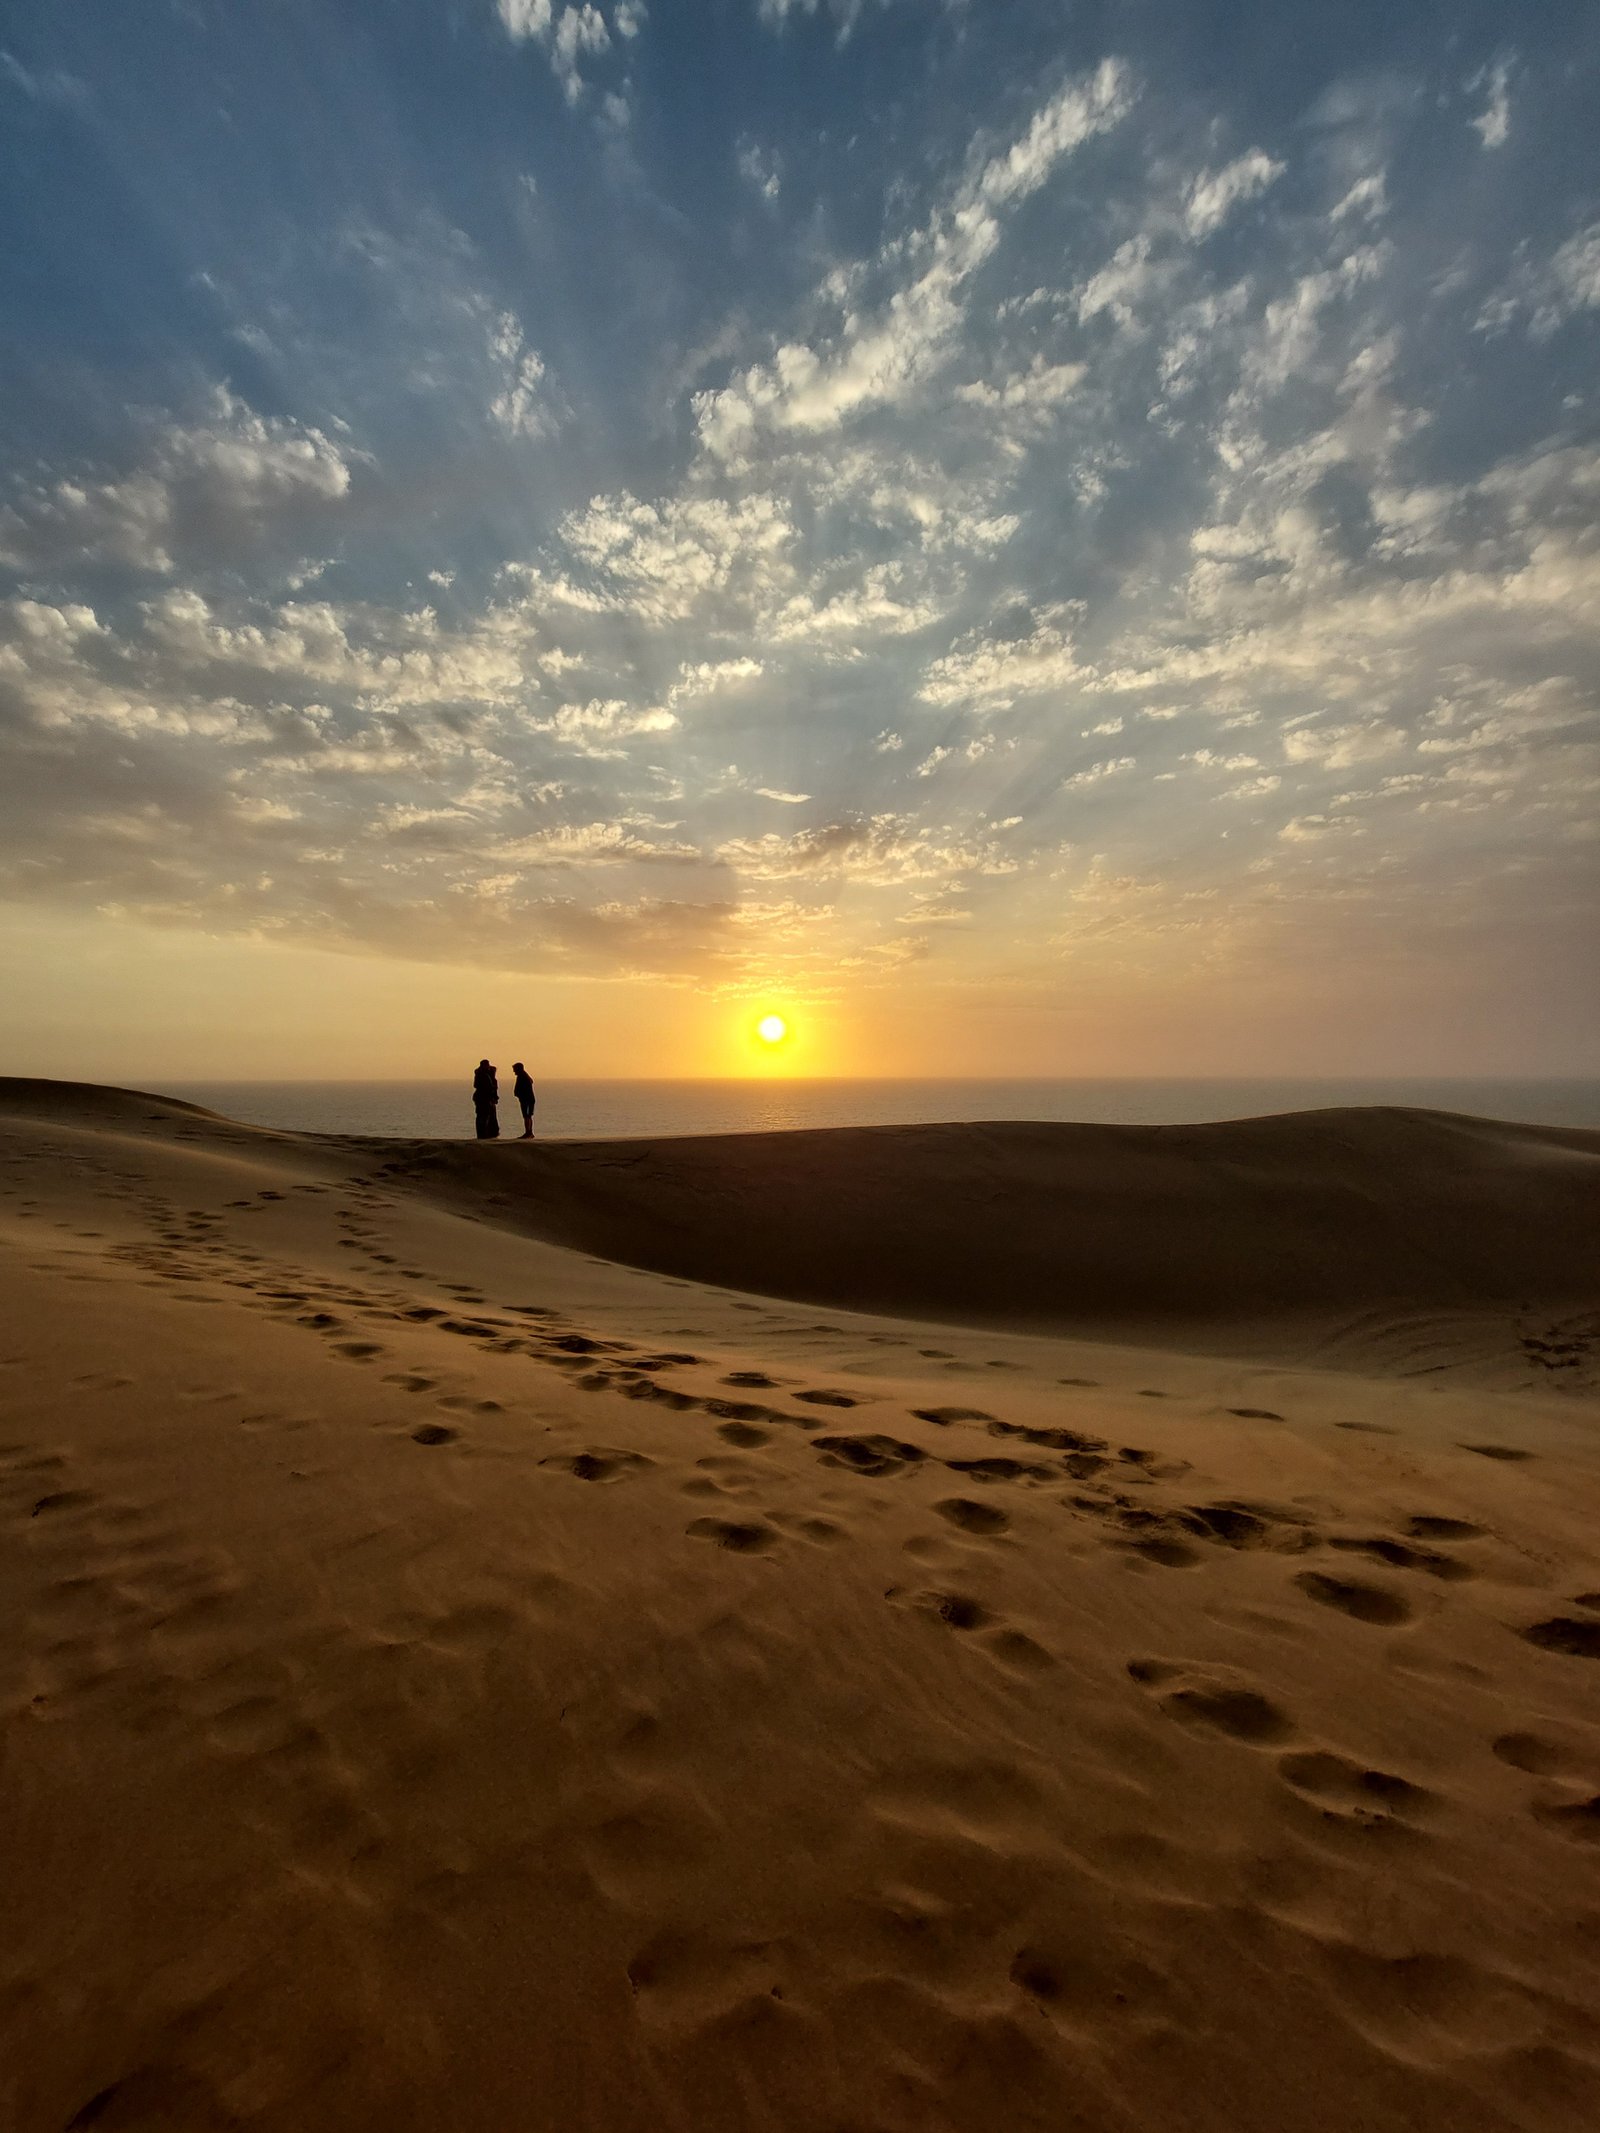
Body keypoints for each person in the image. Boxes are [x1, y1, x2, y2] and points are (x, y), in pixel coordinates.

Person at [472, 1058, 499, 1140]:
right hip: (484, 1098)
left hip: (483, 1098)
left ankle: (485, 1133)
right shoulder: (483, 1075)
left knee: (485, 1116)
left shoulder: (482, 1074)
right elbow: (489, 1088)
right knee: (484, 1116)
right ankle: (484, 1134)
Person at [512, 1061, 536, 1139]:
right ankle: (529, 1132)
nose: (514, 1071)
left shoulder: (522, 1077)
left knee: (526, 1116)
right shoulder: (525, 1076)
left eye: (515, 1069)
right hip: (528, 1099)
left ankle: (528, 1132)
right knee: (528, 1115)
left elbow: (521, 1089)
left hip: (526, 1099)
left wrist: (519, 1094)